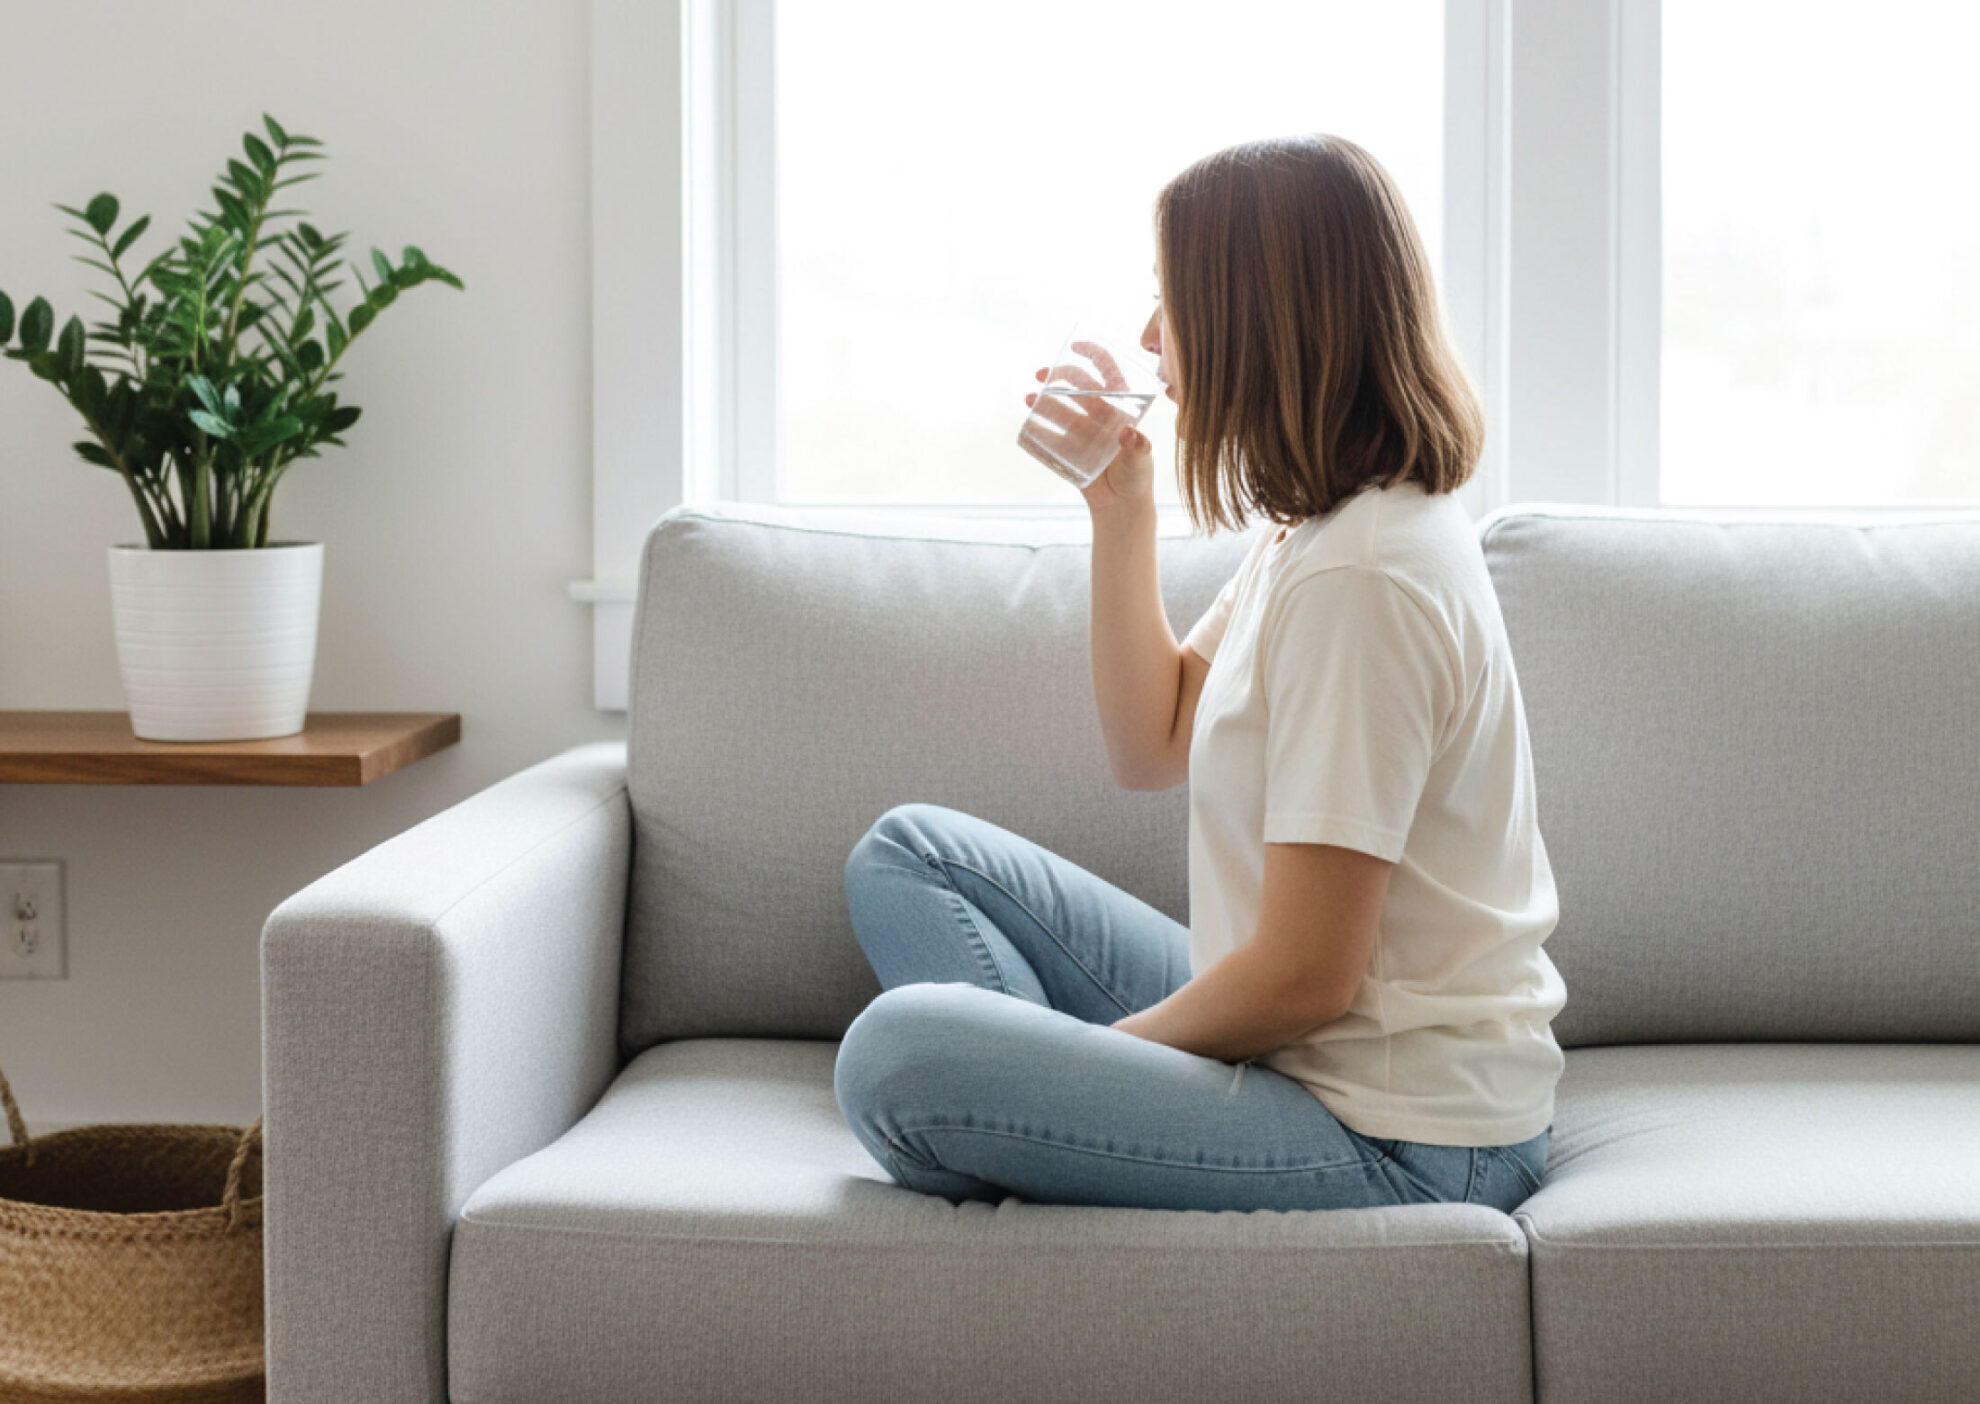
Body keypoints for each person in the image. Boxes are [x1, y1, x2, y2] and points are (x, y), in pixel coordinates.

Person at [832, 133, 1565, 1213]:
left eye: (1171, 300)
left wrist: (1096, 1072)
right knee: (908, 855)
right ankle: (1059, 1129)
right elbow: (1152, 742)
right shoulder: (1315, 532)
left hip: (1402, 1134)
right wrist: (1119, 505)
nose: (1147, 336)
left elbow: (1306, 977)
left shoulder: (1364, 579)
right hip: (1310, 1047)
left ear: (1257, 323)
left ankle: (1042, 1129)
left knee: (896, 1058)